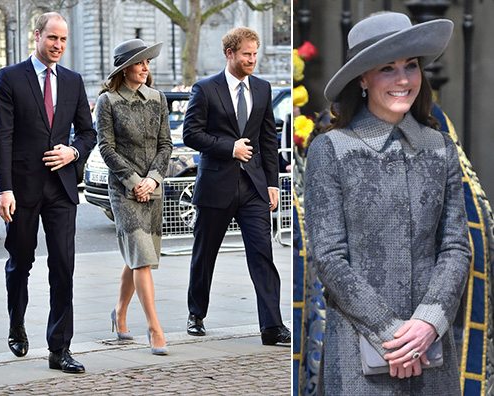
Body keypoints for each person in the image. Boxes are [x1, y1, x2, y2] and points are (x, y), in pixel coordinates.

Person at [304, 12, 472, 395]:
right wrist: (392, 334)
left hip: (432, 352)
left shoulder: (441, 148)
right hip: (358, 356)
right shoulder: (330, 150)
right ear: (362, 78)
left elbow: (455, 247)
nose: (403, 80)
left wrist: (428, 324)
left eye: (410, 66)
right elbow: (329, 257)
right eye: (387, 69)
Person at [0, 12, 96, 373]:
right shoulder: (9, 78)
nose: (58, 45)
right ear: (36, 36)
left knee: (64, 267)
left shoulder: (73, 80)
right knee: (20, 262)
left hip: (62, 189)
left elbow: (88, 132)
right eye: (52, 38)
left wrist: (73, 151)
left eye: (64, 40)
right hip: (21, 189)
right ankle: (17, 323)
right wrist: (4, 189)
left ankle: (59, 348)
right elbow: (1, 137)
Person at [182, 26, 290, 345]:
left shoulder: (263, 88)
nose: (252, 60)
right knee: (205, 255)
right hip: (216, 185)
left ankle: (271, 326)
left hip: (254, 188)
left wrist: (272, 183)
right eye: (246, 54)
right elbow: (190, 134)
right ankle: (196, 314)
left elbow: (268, 139)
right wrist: (230, 147)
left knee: (262, 255)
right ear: (230, 54)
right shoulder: (205, 89)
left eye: (255, 54)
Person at [95, 39, 173, 355]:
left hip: (153, 189)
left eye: (147, 63)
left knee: (139, 259)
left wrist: (152, 180)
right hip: (124, 192)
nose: (146, 68)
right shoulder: (108, 102)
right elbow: (106, 148)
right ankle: (155, 328)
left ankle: (120, 312)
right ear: (125, 67)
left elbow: (166, 145)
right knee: (141, 256)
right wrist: (133, 181)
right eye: (140, 63)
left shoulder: (158, 99)